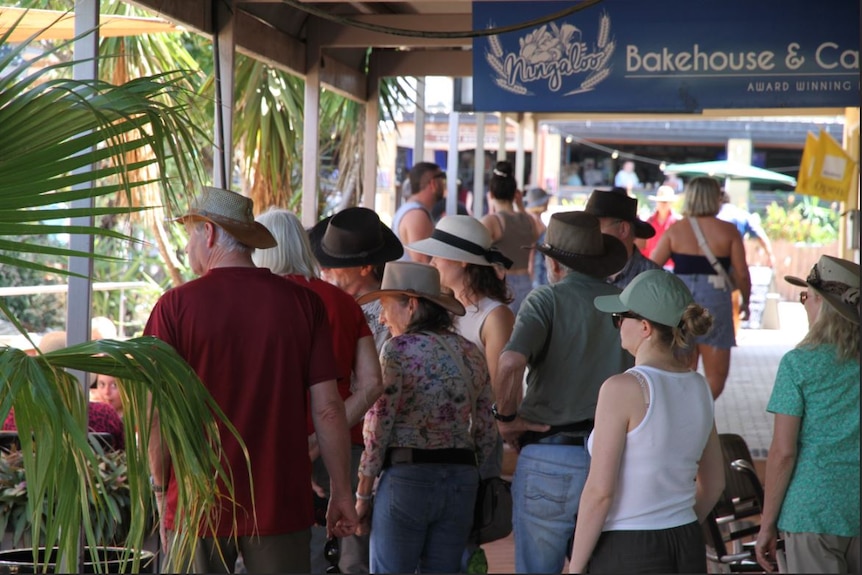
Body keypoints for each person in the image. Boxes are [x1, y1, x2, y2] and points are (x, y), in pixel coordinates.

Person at [144, 187, 356, 573]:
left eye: (190, 234)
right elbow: (327, 409)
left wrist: (161, 488)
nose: (188, 247)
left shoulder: (173, 308)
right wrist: (342, 490)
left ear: (207, 233)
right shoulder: (304, 305)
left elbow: (157, 413)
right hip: (280, 500)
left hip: (198, 501)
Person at [494, 211, 631, 574]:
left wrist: (506, 418)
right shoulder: (625, 305)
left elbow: (509, 364)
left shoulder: (545, 301)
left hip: (550, 456)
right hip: (615, 460)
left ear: (553, 263)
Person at [252, 208, 385, 574]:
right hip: (344, 447)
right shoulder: (342, 302)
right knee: (348, 557)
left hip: (269, 452)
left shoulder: (255, 303)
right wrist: (329, 429)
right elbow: (373, 382)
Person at [568, 270, 725, 573]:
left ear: (644, 327)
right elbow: (715, 482)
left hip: (629, 547)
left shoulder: (622, 388)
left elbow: (600, 492)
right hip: (686, 539)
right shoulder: (699, 386)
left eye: (619, 316)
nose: (617, 324)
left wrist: (576, 566)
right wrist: (676, 521)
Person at [354, 261, 496, 573]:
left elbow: (378, 426)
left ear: (412, 305)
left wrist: (363, 493)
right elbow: (487, 430)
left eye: (386, 306)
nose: (381, 317)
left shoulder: (397, 350)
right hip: (461, 481)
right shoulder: (471, 351)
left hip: (407, 480)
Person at [755, 255, 860, 574]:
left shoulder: (798, 364)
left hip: (812, 511)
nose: (803, 305)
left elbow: (783, 452)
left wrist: (766, 524)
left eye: (806, 297)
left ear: (824, 305)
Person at [649, 177, 752, 400]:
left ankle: (682, 410)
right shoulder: (728, 231)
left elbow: (652, 269)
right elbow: (742, 273)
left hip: (679, 303)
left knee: (681, 369)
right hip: (715, 301)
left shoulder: (676, 230)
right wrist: (746, 300)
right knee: (716, 377)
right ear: (715, 198)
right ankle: (700, 409)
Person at [309, 207, 404, 352]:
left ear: (365, 268)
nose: (323, 269)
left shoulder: (389, 313)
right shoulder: (320, 300)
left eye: (334, 264)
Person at [481, 161, 542, 314]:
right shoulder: (528, 220)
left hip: (502, 285)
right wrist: (521, 205)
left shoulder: (492, 221)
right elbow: (538, 234)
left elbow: (476, 250)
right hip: (527, 282)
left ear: (492, 194)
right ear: (515, 193)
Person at [718, 191, 777, 334]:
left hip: (714, 261)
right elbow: (760, 234)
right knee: (735, 294)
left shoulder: (714, 215)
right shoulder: (741, 214)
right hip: (735, 260)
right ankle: (734, 329)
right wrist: (770, 254)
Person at [584, 187, 659, 289]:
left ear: (623, 229)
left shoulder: (655, 281)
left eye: (596, 226)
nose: (589, 234)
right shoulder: (583, 273)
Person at [391, 162, 444, 262]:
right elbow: (421, 261)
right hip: (411, 277)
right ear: (433, 183)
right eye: (442, 177)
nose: (444, 183)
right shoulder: (416, 214)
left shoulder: (410, 209)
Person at [640, 185, 681, 264]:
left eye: (665, 202)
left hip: (671, 266)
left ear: (670, 203)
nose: (662, 204)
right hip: (650, 265)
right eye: (660, 201)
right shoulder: (649, 221)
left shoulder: (677, 223)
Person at [524, 187, 551, 288]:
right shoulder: (534, 221)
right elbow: (531, 250)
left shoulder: (532, 219)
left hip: (539, 267)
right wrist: (530, 271)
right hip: (537, 269)